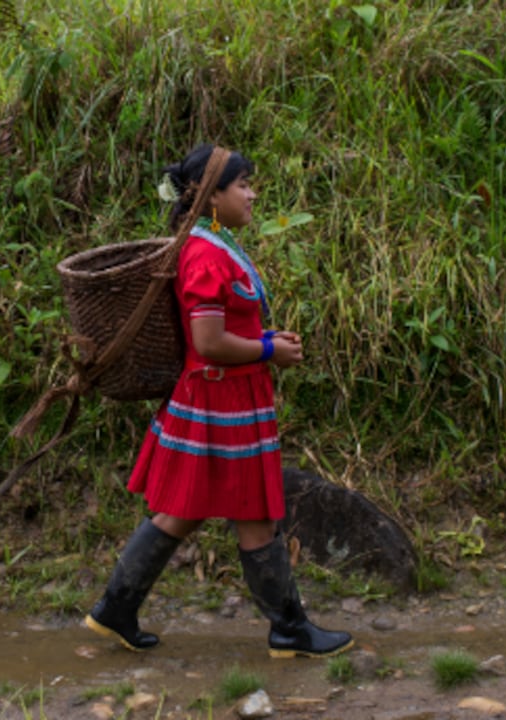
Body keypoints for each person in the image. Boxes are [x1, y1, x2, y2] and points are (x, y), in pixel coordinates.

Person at [84, 145, 353, 659]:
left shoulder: (212, 242)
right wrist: (268, 349)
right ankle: (289, 630)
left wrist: (262, 336)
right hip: (219, 397)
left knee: (180, 511)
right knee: (249, 512)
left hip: (217, 395)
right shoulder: (205, 254)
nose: (252, 194)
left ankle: (115, 610)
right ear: (211, 196)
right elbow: (207, 341)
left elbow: (224, 327)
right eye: (244, 185)